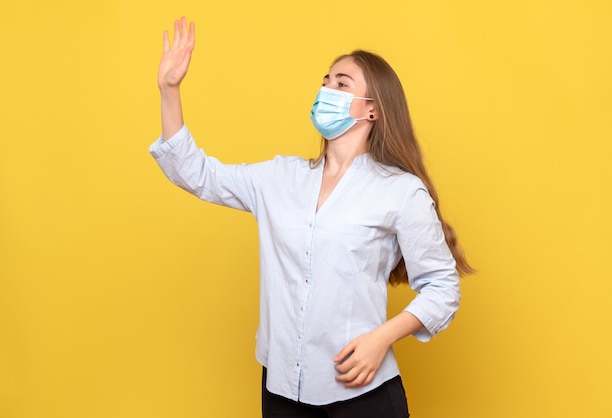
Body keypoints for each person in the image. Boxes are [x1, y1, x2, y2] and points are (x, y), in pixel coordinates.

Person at [150, 17, 473, 418]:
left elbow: (443, 288)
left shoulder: (399, 191)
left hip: (363, 395)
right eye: (326, 81)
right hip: (282, 392)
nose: (327, 90)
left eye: (342, 84)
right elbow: (195, 174)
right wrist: (169, 90)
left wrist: (381, 339)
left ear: (372, 110)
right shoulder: (279, 178)